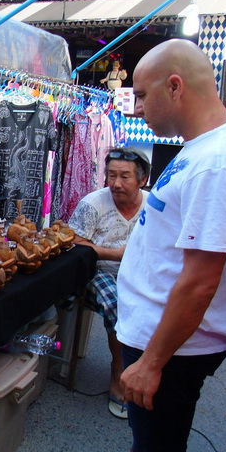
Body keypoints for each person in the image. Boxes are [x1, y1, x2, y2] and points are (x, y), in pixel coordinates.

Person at [92, 39, 226, 452]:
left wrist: (151, 363)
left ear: (175, 87)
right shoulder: (209, 145)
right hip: (159, 335)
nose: (139, 106)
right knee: (151, 437)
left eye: (144, 95)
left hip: (171, 346)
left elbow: (202, 279)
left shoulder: (219, 164)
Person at [69, 146, 150, 419]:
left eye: (125, 177)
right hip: (99, 271)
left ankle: (147, 369)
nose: (115, 183)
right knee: (118, 304)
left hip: (142, 273)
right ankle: (119, 369)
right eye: (111, 175)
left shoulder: (155, 206)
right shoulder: (94, 204)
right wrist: (117, 254)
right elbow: (75, 243)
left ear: (142, 179)